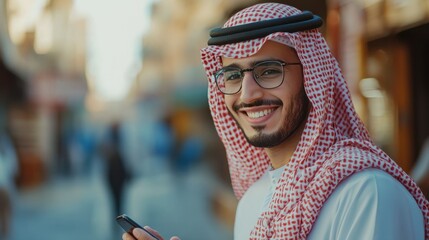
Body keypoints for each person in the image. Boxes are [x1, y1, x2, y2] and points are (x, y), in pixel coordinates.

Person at [123, 3, 429, 240]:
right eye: (232, 75)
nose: (248, 94)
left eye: (269, 71)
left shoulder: (367, 194)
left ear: (312, 77)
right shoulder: (253, 202)